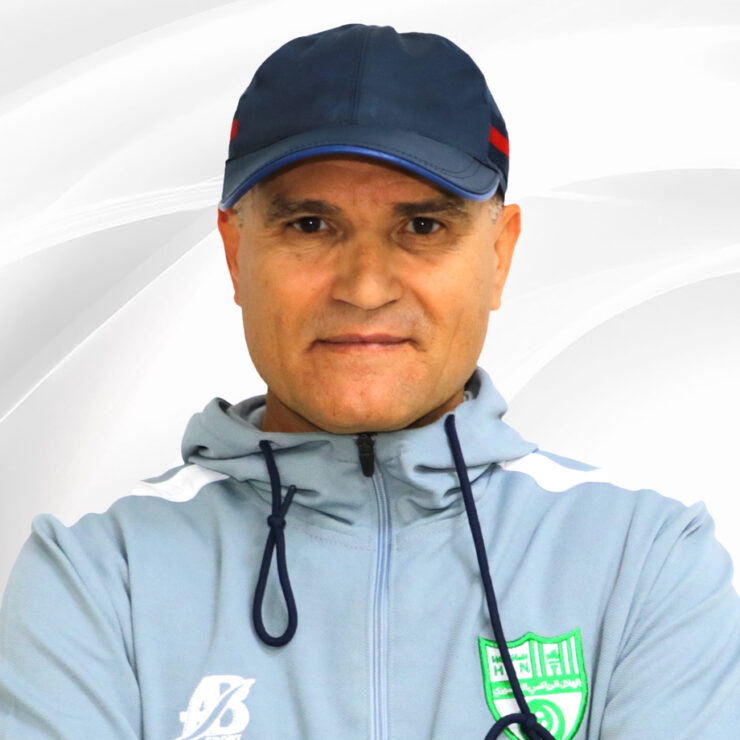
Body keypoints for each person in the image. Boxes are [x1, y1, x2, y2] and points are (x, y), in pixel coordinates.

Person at [1, 22, 738, 740]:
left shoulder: (645, 560)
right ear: (234, 254)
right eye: (309, 225)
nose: (364, 287)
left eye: (422, 227)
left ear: (499, 257)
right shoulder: (101, 578)